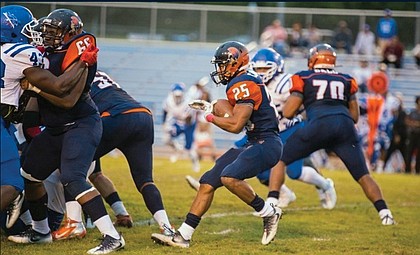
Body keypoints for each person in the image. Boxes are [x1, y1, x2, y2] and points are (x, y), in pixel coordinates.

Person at [7, 9, 125, 254]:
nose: (47, 36)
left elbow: (68, 100)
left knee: (72, 178)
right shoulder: (48, 53)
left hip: (81, 124)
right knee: (29, 174)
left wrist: (36, 90)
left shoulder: (81, 54)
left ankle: (112, 236)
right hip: (56, 128)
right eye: (46, 31)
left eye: (53, 32)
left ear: (70, 32)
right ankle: (41, 232)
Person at [151, 41, 283, 247]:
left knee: (229, 177)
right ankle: (183, 236)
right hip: (253, 141)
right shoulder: (241, 81)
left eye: (223, 64)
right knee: (207, 182)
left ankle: (268, 212)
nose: (219, 69)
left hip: (266, 142)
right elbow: (229, 111)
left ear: (236, 63)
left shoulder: (244, 83)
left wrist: (210, 116)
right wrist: (211, 107)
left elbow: (236, 125)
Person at [267, 43, 395, 226]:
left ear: (313, 60)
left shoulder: (304, 77)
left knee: (280, 160)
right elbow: (355, 116)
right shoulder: (346, 79)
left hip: (318, 124)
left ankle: (272, 203)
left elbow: (288, 112)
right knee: (363, 175)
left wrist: (304, 107)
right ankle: (385, 214)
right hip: (345, 127)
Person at [49, 70, 173, 239]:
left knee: (72, 167)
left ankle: (74, 223)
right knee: (143, 181)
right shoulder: (97, 73)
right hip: (142, 115)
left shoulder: (71, 75)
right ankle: (165, 226)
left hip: (113, 117)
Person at [1, 5, 93, 230]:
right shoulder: (19, 53)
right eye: (28, 28)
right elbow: (60, 88)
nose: (34, 33)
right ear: (14, 31)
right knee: (12, 185)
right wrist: (83, 60)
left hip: (7, 124)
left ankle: (29, 227)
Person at [250, 48, 336, 209]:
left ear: (277, 67)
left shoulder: (285, 82)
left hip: (292, 129)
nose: (261, 73)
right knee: (259, 170)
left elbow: (303, 103)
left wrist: (300, 117)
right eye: (257, 69)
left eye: (265, 68)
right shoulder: (254, 85)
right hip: (272, 132)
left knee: (295, 172)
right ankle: (284, 193)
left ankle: (325, 185)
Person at [162, 82, 200, 172]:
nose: (178, 97)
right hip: (177, 121)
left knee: (190, 148)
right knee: (166, 139)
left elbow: (189, 118)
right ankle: (177, 149)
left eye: (179, 95)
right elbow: (165, 111)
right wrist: (164, 123)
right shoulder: (168, 101)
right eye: (176, 95)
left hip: (189, 124)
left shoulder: (188, 102)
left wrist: (185, 122)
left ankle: (195, 163)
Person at [404, 96, 420, 174]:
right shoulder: (412, 112)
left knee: (419, 154)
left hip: (419, 135)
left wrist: (414, 123)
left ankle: (417, 170)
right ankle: (407, 170)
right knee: (409, 152)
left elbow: (411, 122)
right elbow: (407, 121)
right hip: (412, 134)